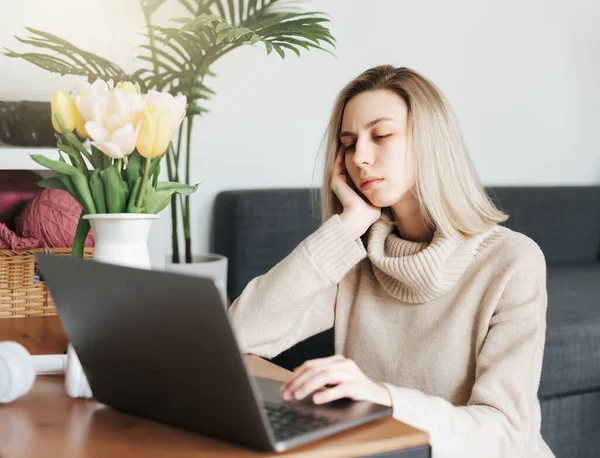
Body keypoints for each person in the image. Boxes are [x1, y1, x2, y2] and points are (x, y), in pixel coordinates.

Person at [228, 65, 554, 458]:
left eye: (381, 135)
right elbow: (240, 333)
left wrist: (384, 398)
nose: (360, 157)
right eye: (348, 143)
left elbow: (505, 434)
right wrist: (346, 225)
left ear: (429, 143)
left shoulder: (512, 261)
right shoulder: (354, 255)